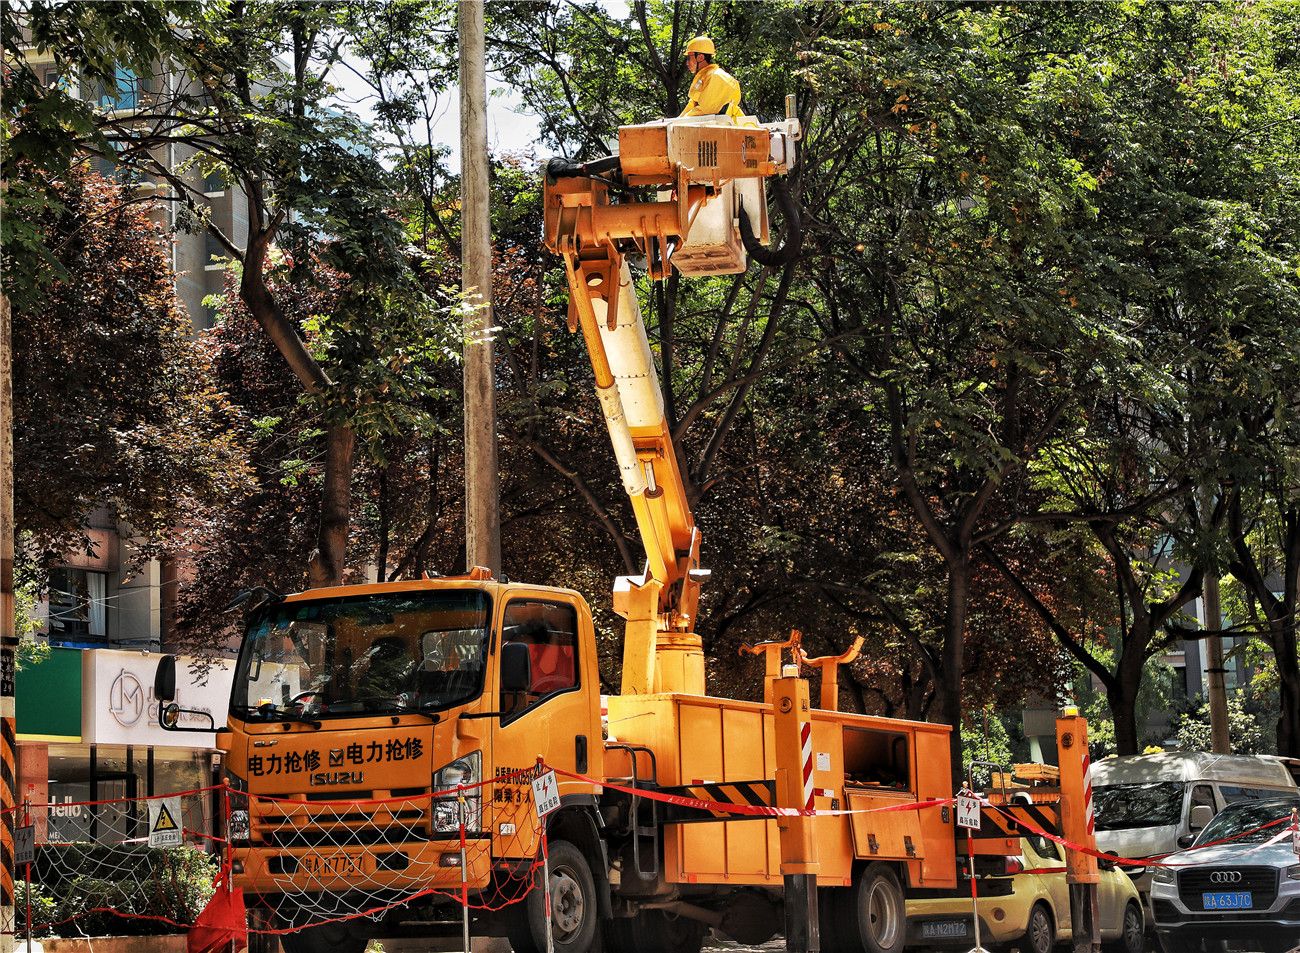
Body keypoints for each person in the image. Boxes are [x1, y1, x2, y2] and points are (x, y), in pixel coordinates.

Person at [680, 35, 743, 120]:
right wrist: (677, 120)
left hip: (726, 128)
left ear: (700, 57)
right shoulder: (705, 76)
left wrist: (680, 121)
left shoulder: (715, 77)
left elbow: (706, 109)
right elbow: (693, 103)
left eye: (689, 58)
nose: (687, 63)